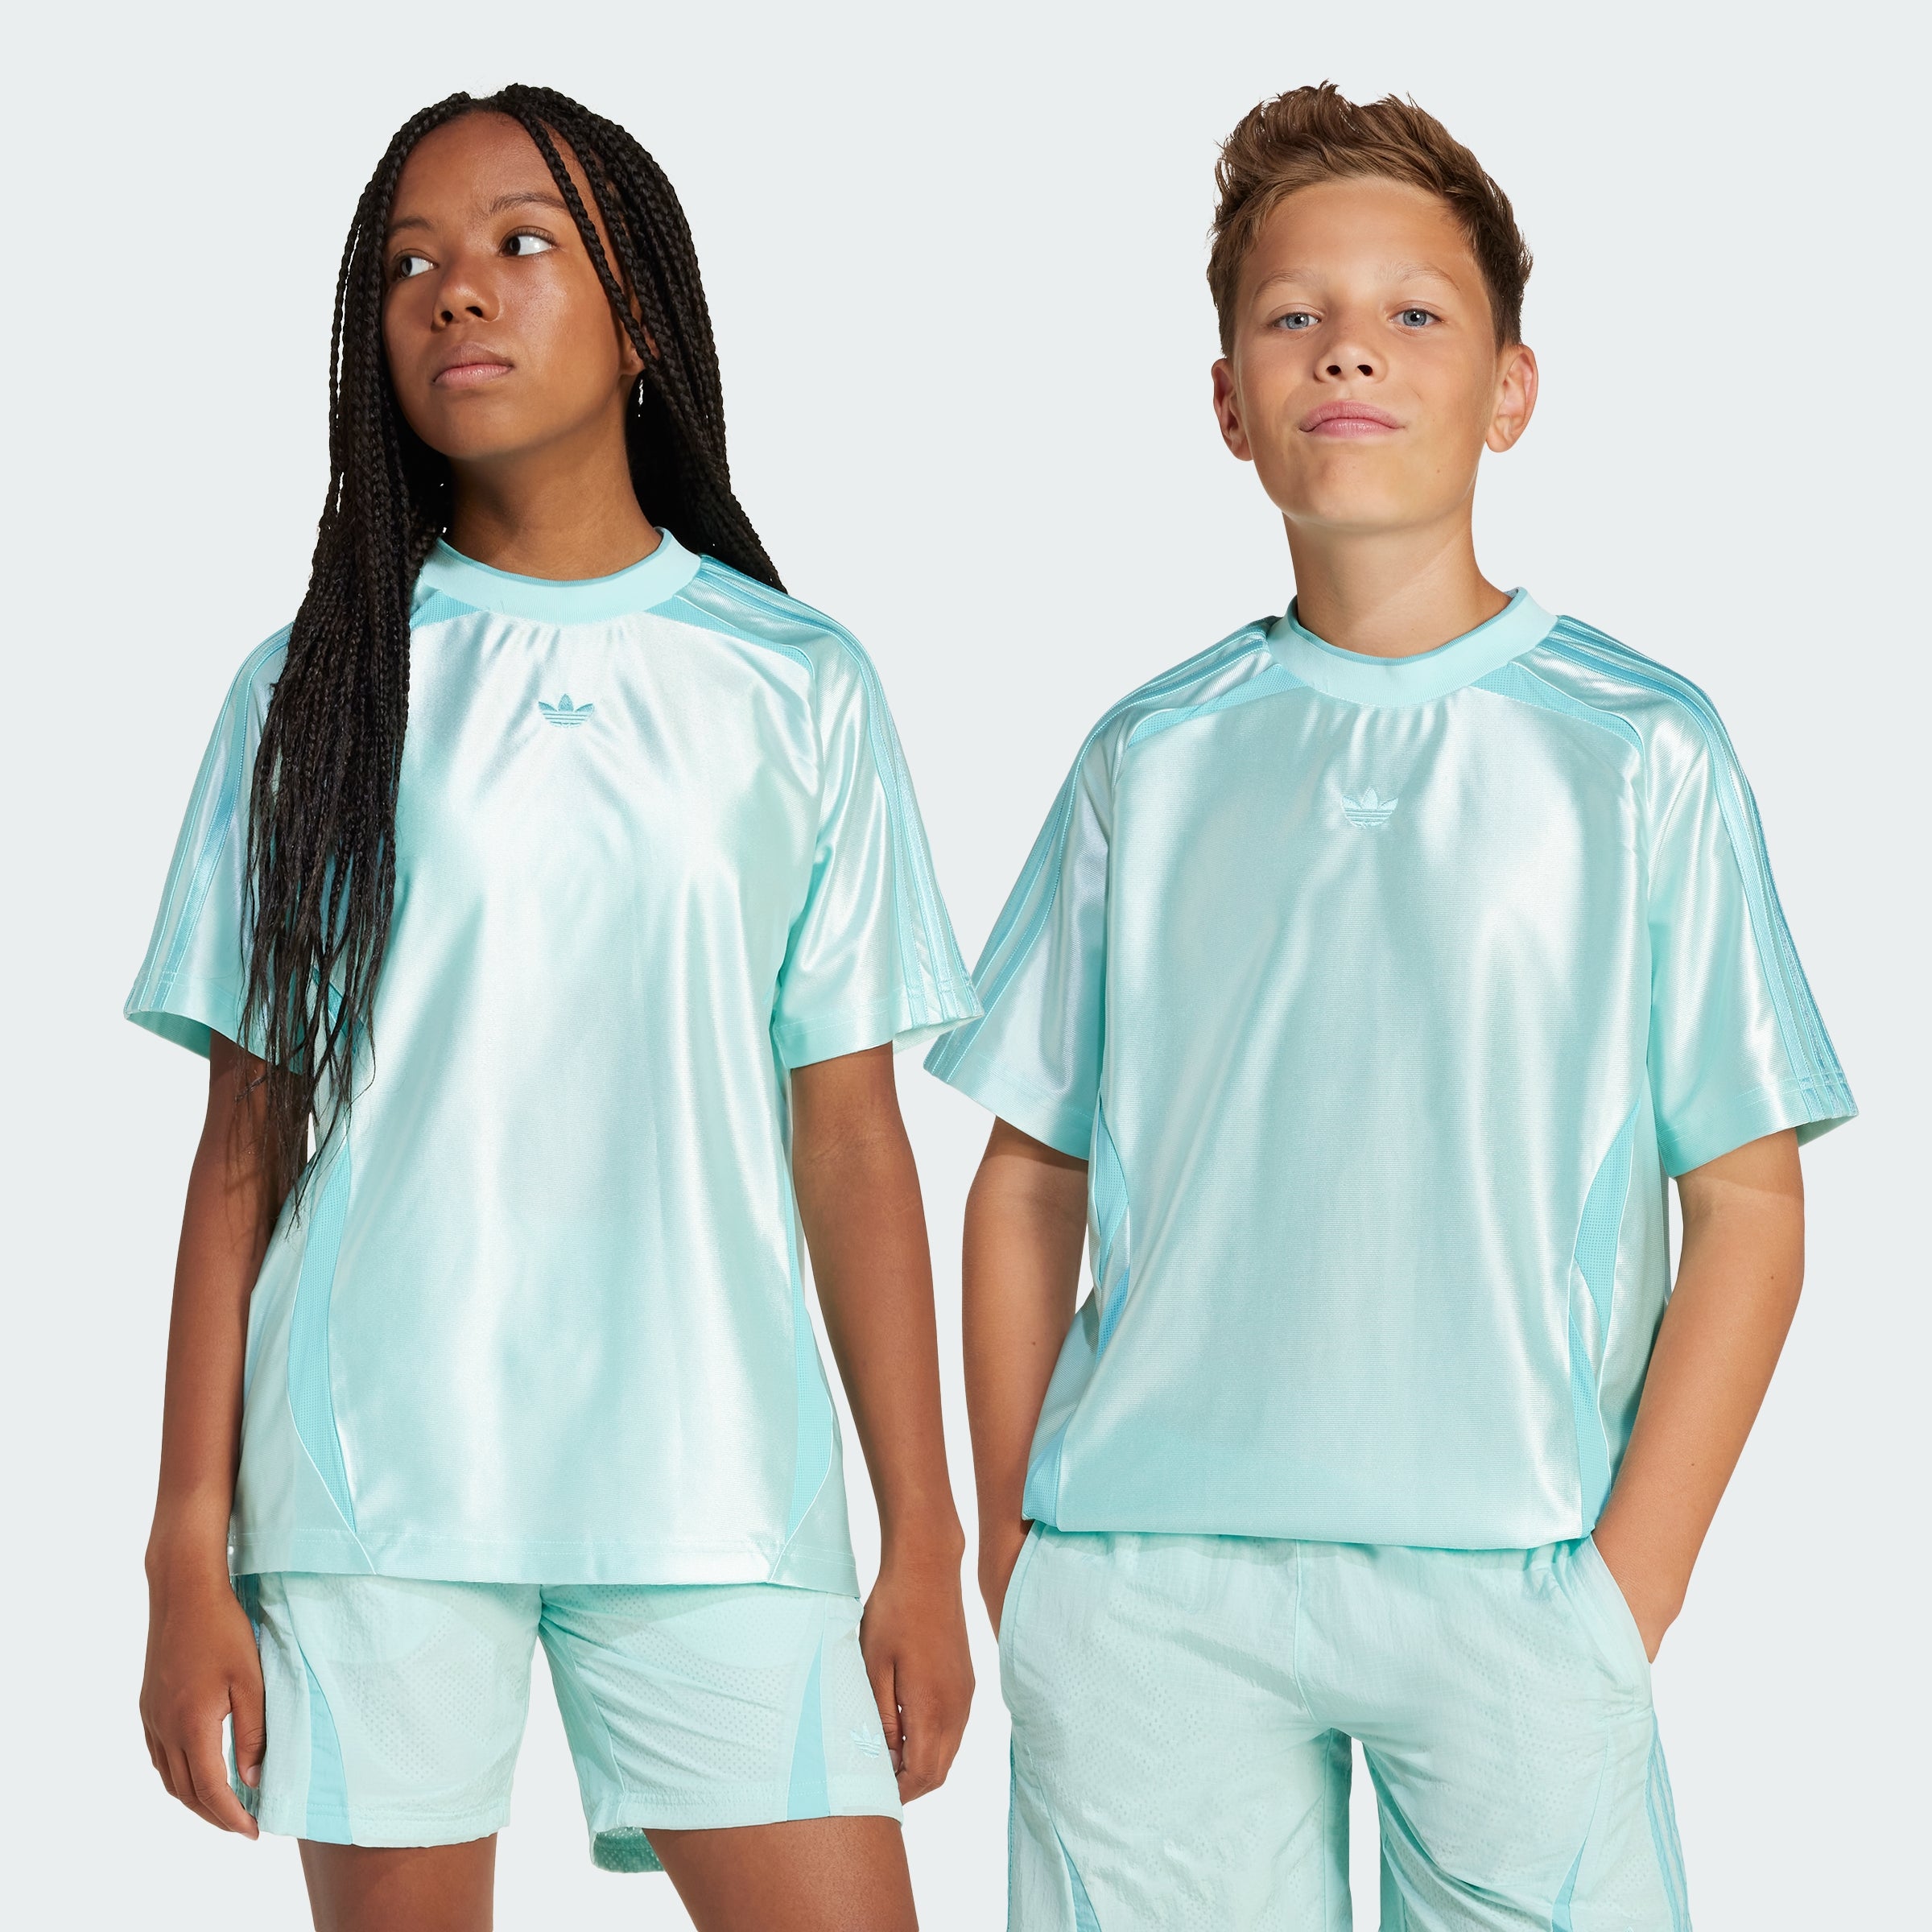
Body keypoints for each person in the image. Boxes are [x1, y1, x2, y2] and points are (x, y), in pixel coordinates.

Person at [930, 82, 1853, 1930]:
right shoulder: (1150, 758)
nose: (1349, 347)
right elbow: (1030, 1175)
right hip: (1151, 1586)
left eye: (1414, 312)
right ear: (1228, 402)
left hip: (1519, 1584)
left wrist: (1631, 1589)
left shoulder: (1640, 752)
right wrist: (1019, 1551)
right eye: (1295, 314)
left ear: (1512, 389)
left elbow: (1748, 1197)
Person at [130, 85, 978, 1932]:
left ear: (640, 313)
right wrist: (184, 1547)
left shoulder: (796, 683)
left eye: (523, 243)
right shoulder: (313, 694)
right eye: (409, 264)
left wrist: (926, 1530)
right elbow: (240, 1152)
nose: (457, 292)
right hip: (375, 1484)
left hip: (718, 1485)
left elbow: (850, 1138)